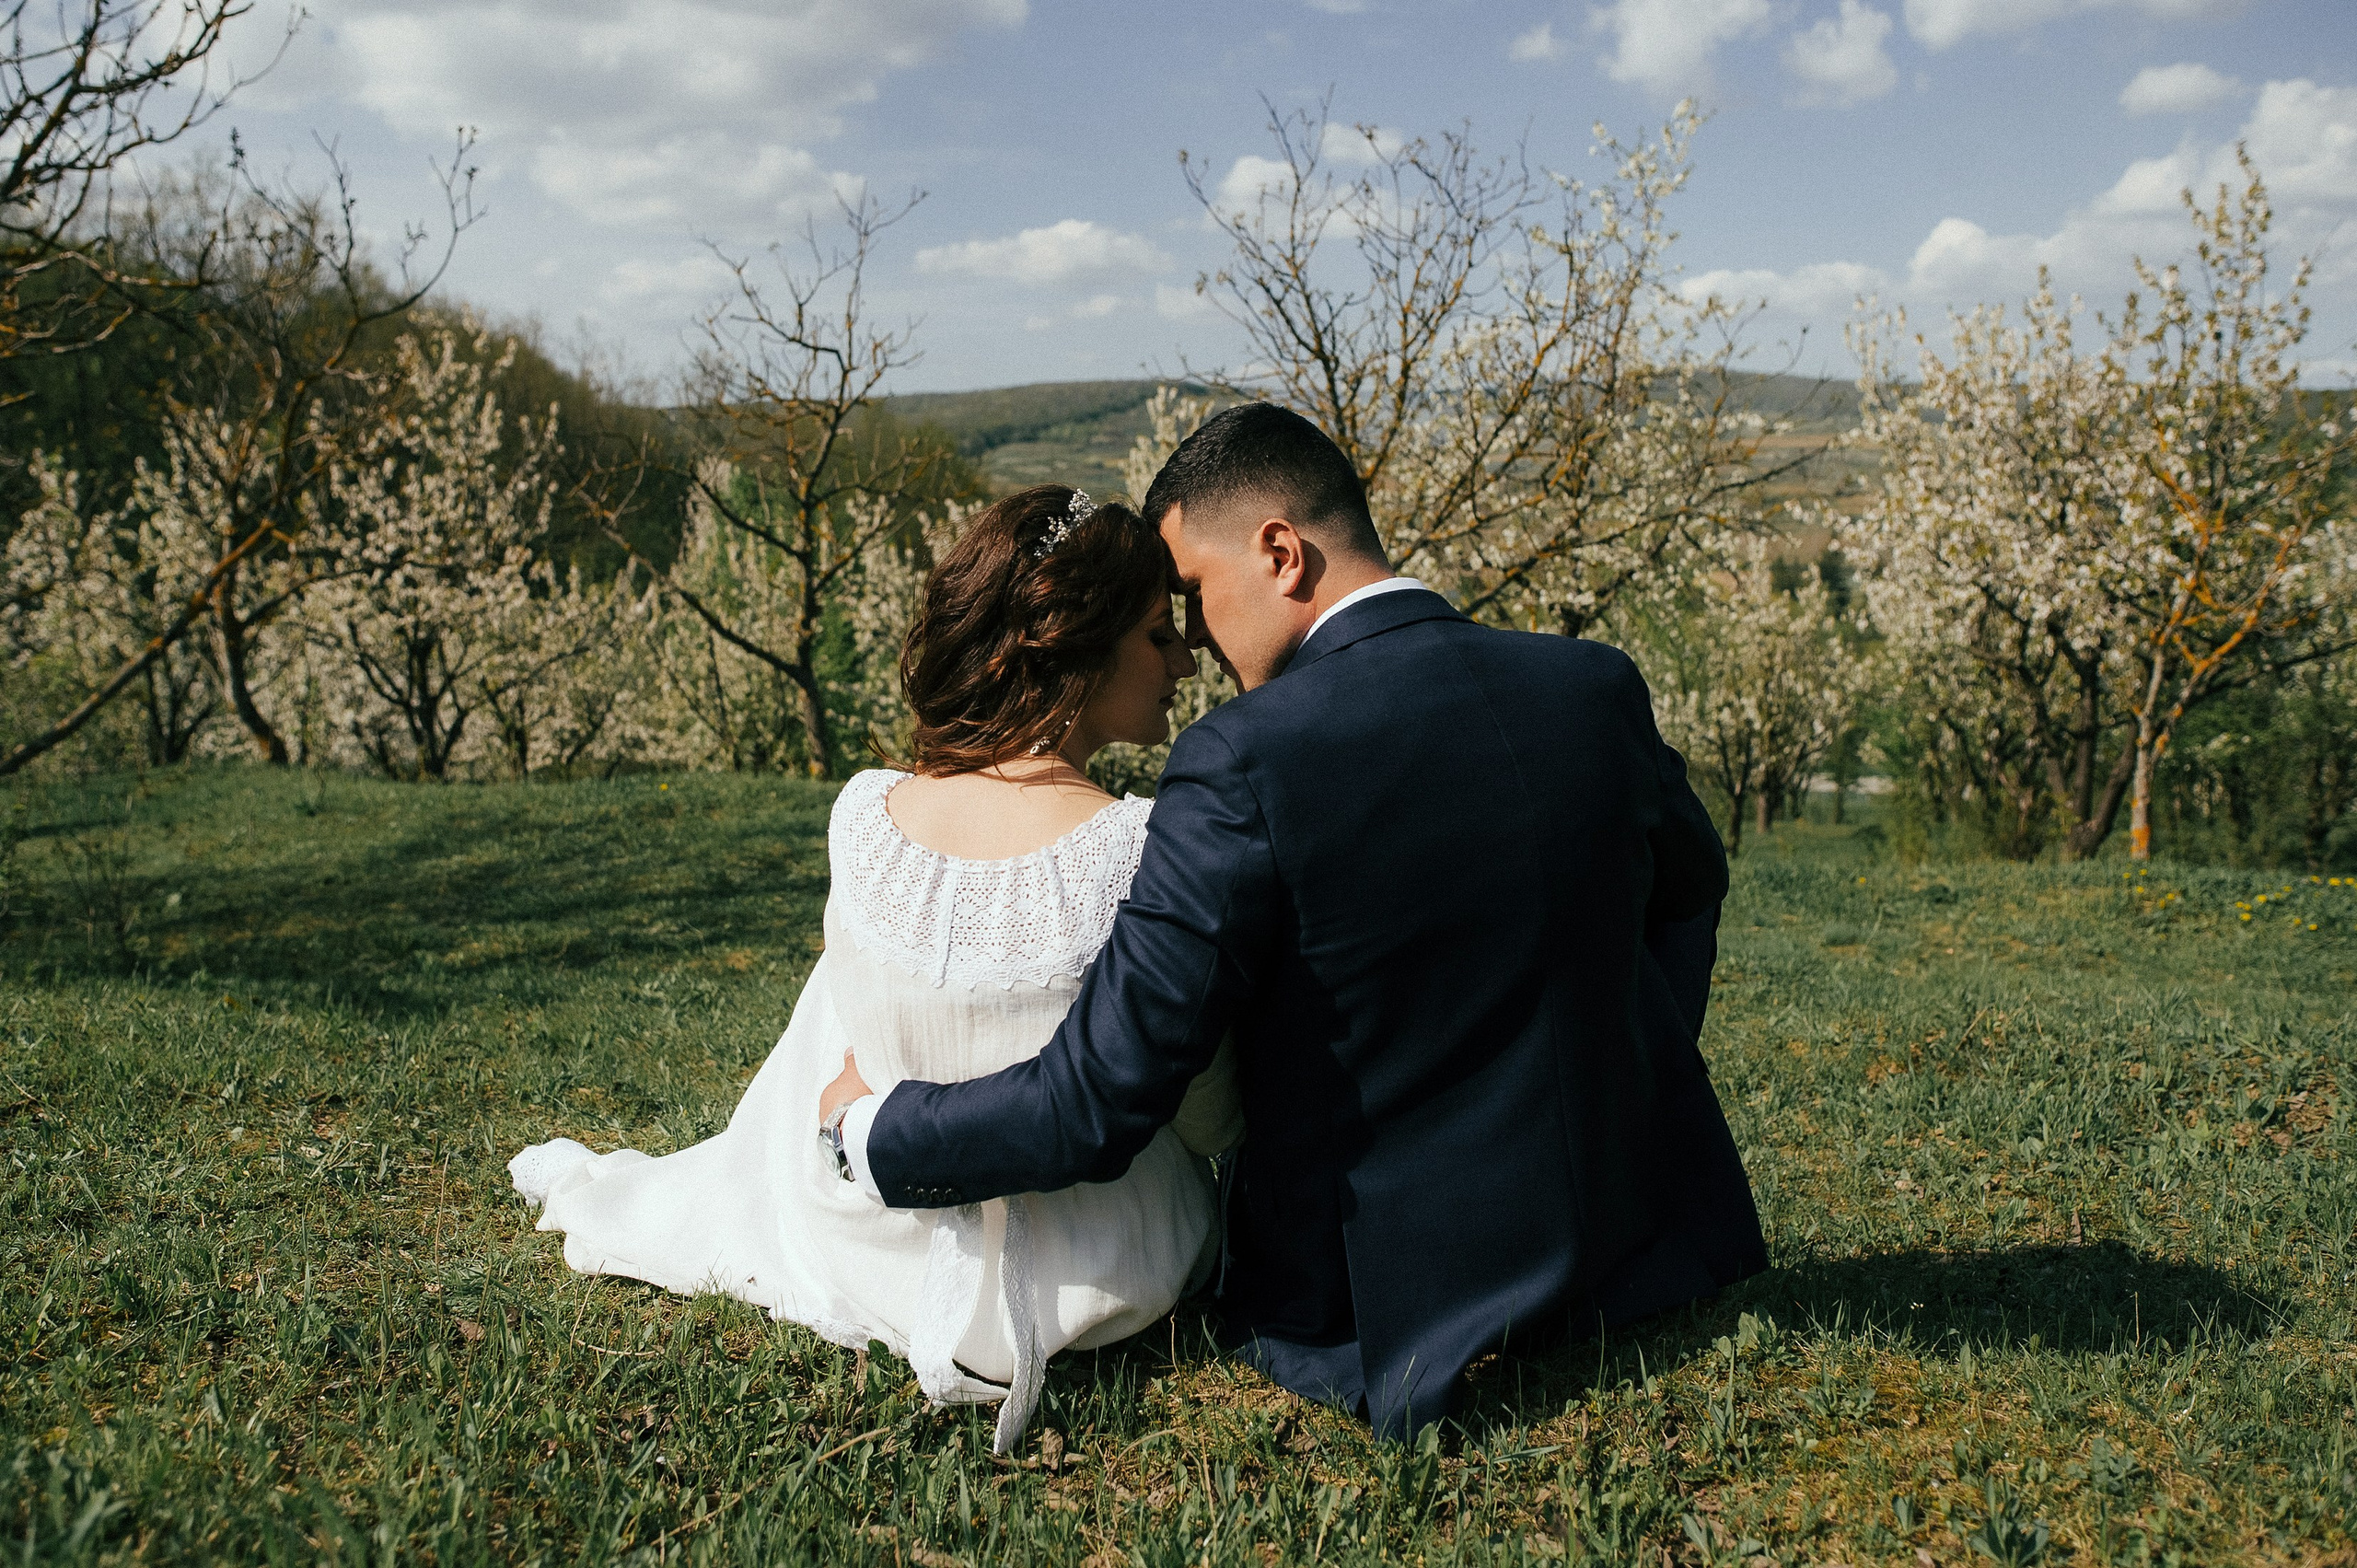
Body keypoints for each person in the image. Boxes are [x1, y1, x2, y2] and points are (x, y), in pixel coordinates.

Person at [822, 402, 1767, 1436]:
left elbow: (1097, 1095)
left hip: (1384, 1304)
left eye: (1192, 594)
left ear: (1279, 552)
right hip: (1645, 1244)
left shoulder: (1243, 756)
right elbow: (1691, 889)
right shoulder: (1591, 684)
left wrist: (868, 1133)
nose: (1191, 641)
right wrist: (1634, 1067)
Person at [509, 485, 1240, 1455]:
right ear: (1073, 642)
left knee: (847, 985)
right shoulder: (1142, 847)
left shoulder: (867, 816)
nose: (1184, 660)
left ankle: (845, 1136)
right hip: (1115, 1265)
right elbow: (1206, 1116)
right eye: (1157, 633)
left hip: (877, 1245)